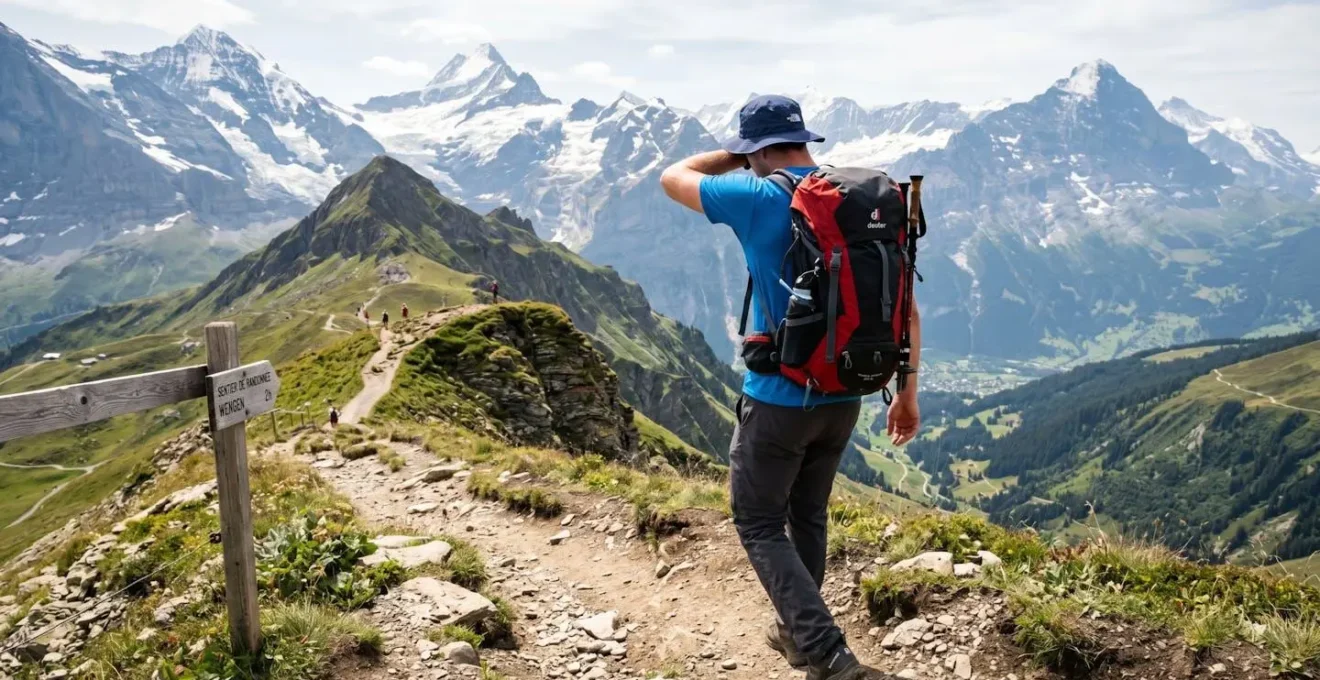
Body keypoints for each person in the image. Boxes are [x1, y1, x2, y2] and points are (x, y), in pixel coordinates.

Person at [660, 94, 922, 680]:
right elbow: (904, 304)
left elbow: (672, 176)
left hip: (779, 399)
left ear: (756, 150)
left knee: (756, 519)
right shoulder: (859, 204)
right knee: (808, 513)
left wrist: (734, 155)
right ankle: (798, 637)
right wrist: (907, 391)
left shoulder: (754, 195)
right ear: (807, 140)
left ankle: (828, 655)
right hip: (848, 393)